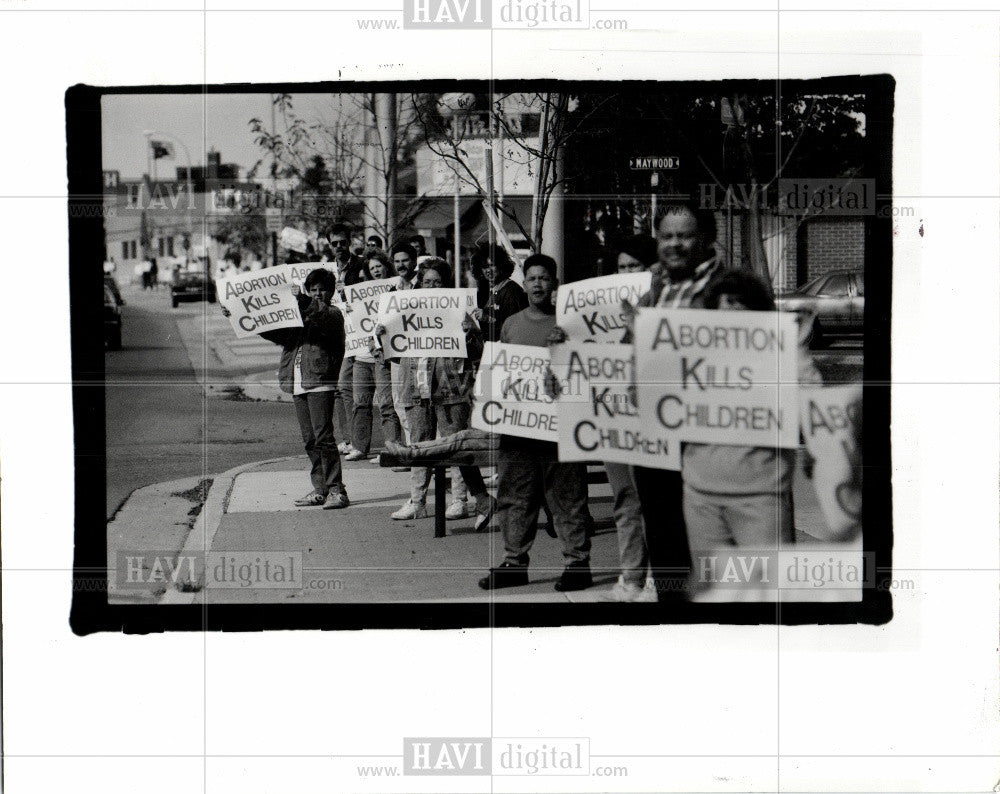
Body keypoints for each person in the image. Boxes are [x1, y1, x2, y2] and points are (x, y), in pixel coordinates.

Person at [623, 202, 729, 602]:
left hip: (703, 435)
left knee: (703, 537)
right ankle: (672, 614)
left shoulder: (728, 287)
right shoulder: (655, 290)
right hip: (654, 436)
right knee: (663, 534)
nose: (675, 244)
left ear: (704, 238)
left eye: (684, 235)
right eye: (666, 236)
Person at [478, 254, 593, 592]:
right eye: (532, 278)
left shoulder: (571, 324)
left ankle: (577, 563)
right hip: (518, 426)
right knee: (514, 495)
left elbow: (585, 370)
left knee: (568, 496)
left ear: (554, 283)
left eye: (544, 278)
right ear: (524, 283)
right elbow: (500, 371)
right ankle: (514, 562)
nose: (538, 284)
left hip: (560, 426)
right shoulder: (511, 323)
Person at [682, 271, 797, 593]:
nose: (730, 313)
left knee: (767, 599)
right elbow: (651, 400)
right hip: (700, 497)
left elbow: (811, 401)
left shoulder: (781, 353)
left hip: (761, 499)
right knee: (715, 596)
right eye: (723, 306)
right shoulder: (690, 354)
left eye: (739, 305)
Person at [378, 258, 496, 528]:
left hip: (451, 387)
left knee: (454, 445)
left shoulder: (459, 311)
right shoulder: (404, 311)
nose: (431, 286)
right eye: (426, 281)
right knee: (419, 444)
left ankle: (462, 500)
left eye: (437, 282)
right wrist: (383, 337)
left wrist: (471, 333)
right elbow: (395, 357)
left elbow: (478, 353)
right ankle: (417, 501)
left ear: (446, 285)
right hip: (417, 387)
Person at [225, 268, 350, 509]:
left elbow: (322, 316)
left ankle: (337, 489)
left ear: (331, 291)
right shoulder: (300, 315)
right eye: (312, 290)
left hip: (320, 381)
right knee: (309, 439)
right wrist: (238, 314)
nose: (317, 294)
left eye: (322, 290)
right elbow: (278, 333)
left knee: (324, 437)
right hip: (298, 381)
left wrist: (302, 300)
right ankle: (320, 489)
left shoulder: (333, 314)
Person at [346, 250, 401, 461]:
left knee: (387, 405)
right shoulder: (362, 294)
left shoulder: (396, 290)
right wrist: (348, 307)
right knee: (360, 402)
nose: (376, 270)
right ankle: (359, 446)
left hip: (384, 357)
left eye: (379, 266)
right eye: (372, 268)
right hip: (362, 356)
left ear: (386, 266)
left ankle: (392, 449)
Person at [326, 224, 370, 458]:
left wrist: (351, 290)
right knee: (340, 388)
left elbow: (370, 291)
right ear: (329, 245)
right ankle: (348, 439)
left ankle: (357, 440)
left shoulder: (361, 265)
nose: (340, 247)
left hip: (358, 333)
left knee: (347, 386)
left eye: (343, 242)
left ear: (349, 242)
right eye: (335, 243)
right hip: (337, 332)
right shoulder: (325, 268)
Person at [387, 242, 421, 445]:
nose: (401, 265)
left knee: (420, 402)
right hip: (399, 353)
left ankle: (425, 448)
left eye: (405, 261)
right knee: (400, 402)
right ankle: (411, 448)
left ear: (414, 261)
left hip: (420, 352)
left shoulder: (425, 285)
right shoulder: (392, 290)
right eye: (397, 262)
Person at [470, 243, 527, 343]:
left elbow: (513, 326)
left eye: (492, 265)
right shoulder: (493, 291)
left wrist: (487, 318)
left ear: (501, 266)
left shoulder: (511, 291)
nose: (488, 270)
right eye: (484, 266)